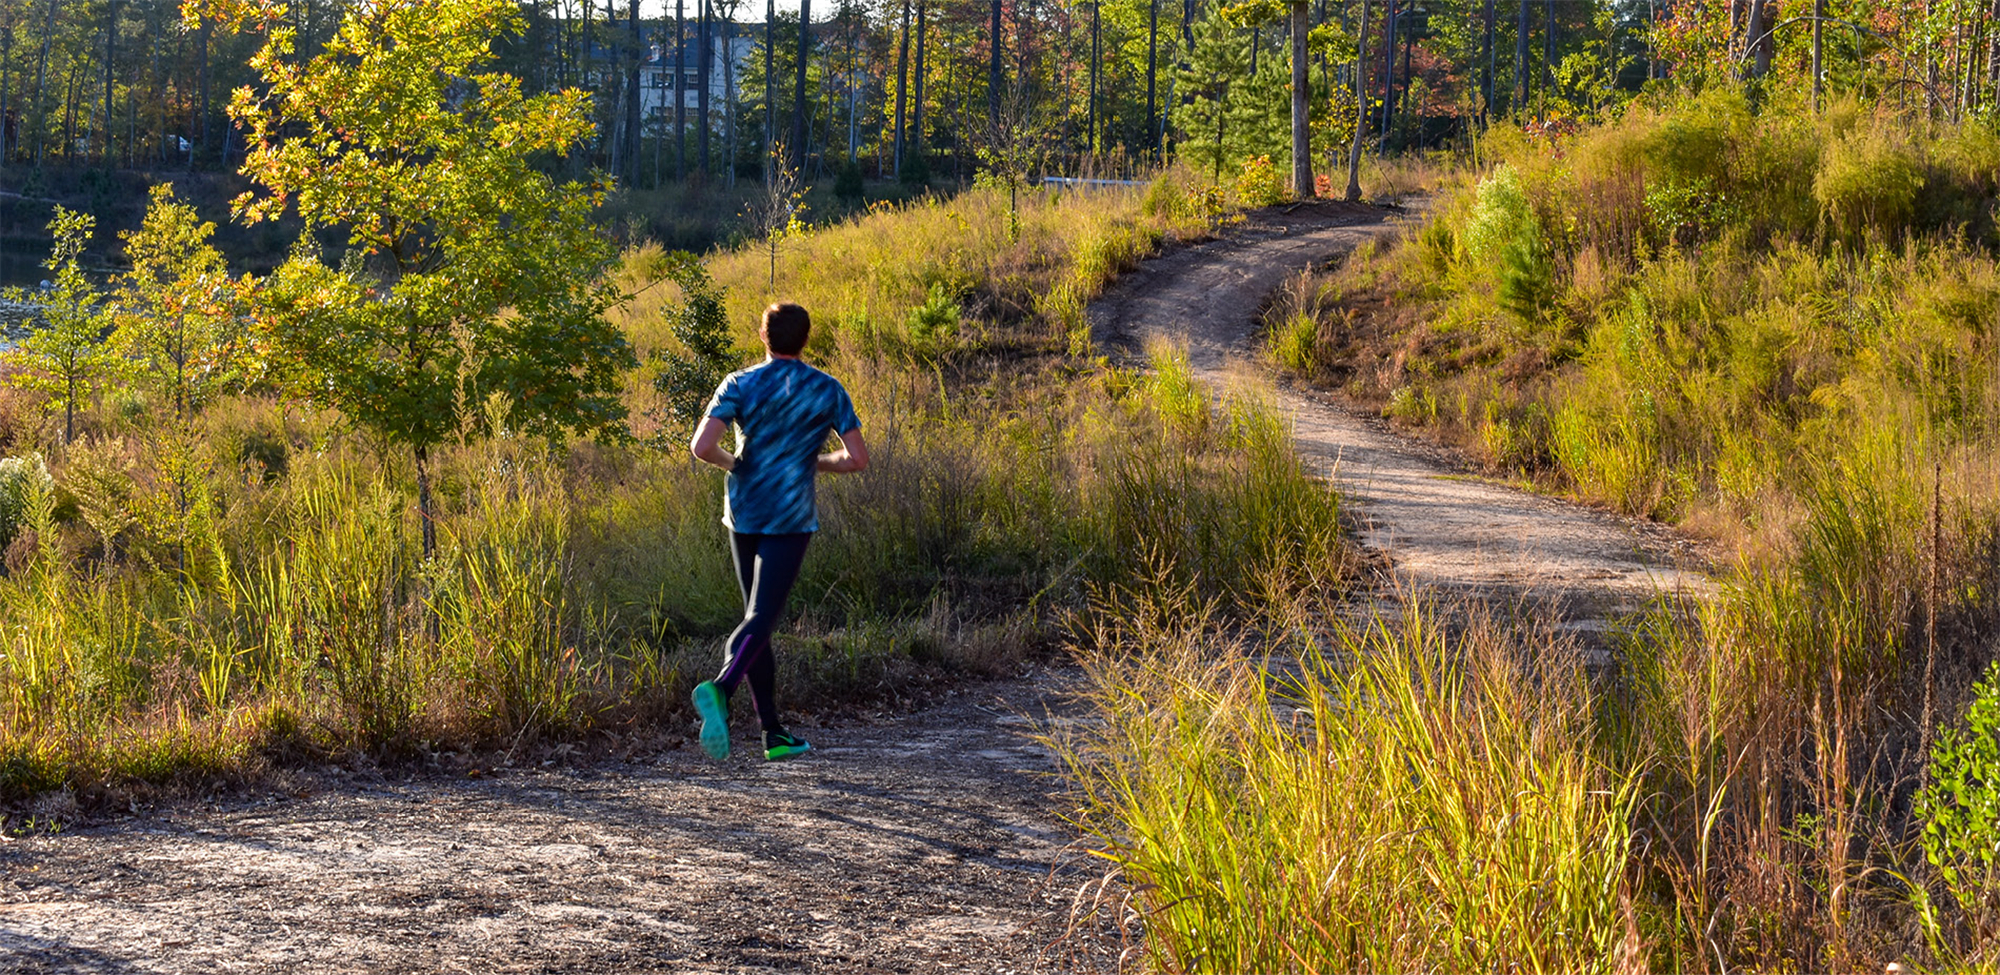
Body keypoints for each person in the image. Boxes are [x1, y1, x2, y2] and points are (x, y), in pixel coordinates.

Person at [688, 302, 868, 761]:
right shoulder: (828, 390)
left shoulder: (740, 382)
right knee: (762, 617)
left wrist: (736, 464)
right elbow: (857, 458)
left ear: (763, 336)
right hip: (791, 515)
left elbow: (702, 447)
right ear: (805, 338)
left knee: (756, 617)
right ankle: (722, 690)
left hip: (745, 510)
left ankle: (773, 734)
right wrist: (816, 461)